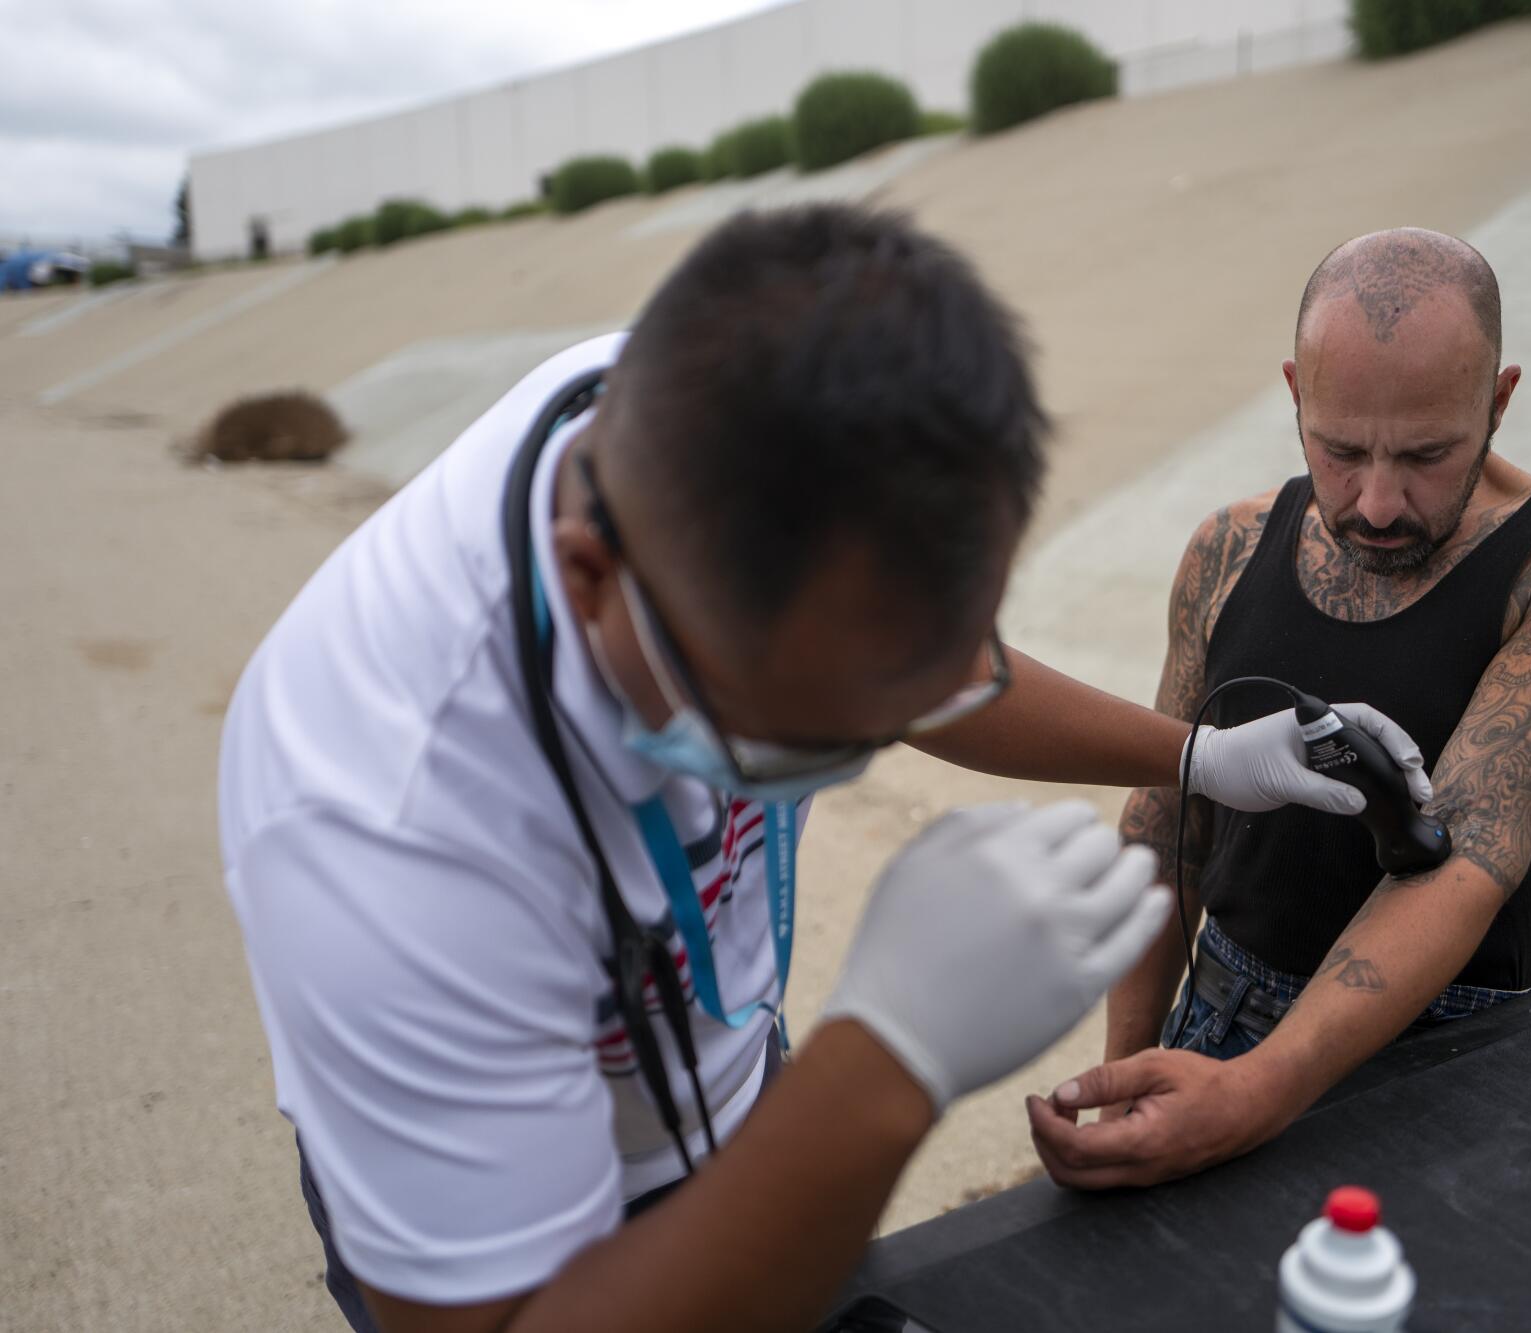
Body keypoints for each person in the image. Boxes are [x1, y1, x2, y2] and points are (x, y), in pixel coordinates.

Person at [218, 206, 1429, 1333]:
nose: (845, 757)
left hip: (726, 1081)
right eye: (804, 733)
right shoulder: (384, 830)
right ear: (591, 578)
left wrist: (1199, 756)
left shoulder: (737, 425)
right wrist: (891, 1054)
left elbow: (928, 665)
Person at [1025, 227, 1531, 1188]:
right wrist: (1132, 1066)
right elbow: (1165, 826)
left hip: (1459, 1056)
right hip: (1224, 1018)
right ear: (1295, 394)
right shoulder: (1227, 550)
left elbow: (1461, 863)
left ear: (1499, 400)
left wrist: (1262, 1091)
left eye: (1425, 455)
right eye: (1338, 449)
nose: (1374, 503)